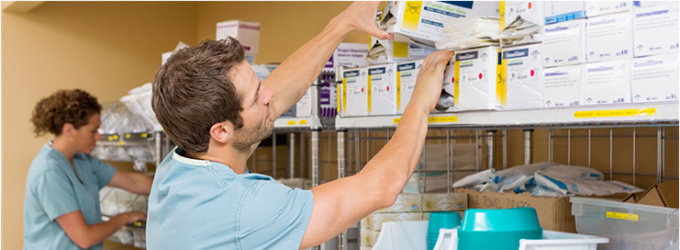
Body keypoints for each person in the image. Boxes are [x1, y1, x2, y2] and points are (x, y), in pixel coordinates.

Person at [147, 1, 454, 249]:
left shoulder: (178, 167)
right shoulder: (244, 208)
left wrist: (343, 23)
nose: (269, 94)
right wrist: (420, 101)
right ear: (222, 131)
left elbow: (275, 94)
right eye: (257, 98)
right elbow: (380, 189)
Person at [24, 89, 154, 250]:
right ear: (68, 130)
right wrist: (125, 217)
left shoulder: (83, 161)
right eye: (93, 131)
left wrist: (173, 181)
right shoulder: (48, 172)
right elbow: (85, 238)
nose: (98, 136)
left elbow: (132, 181)